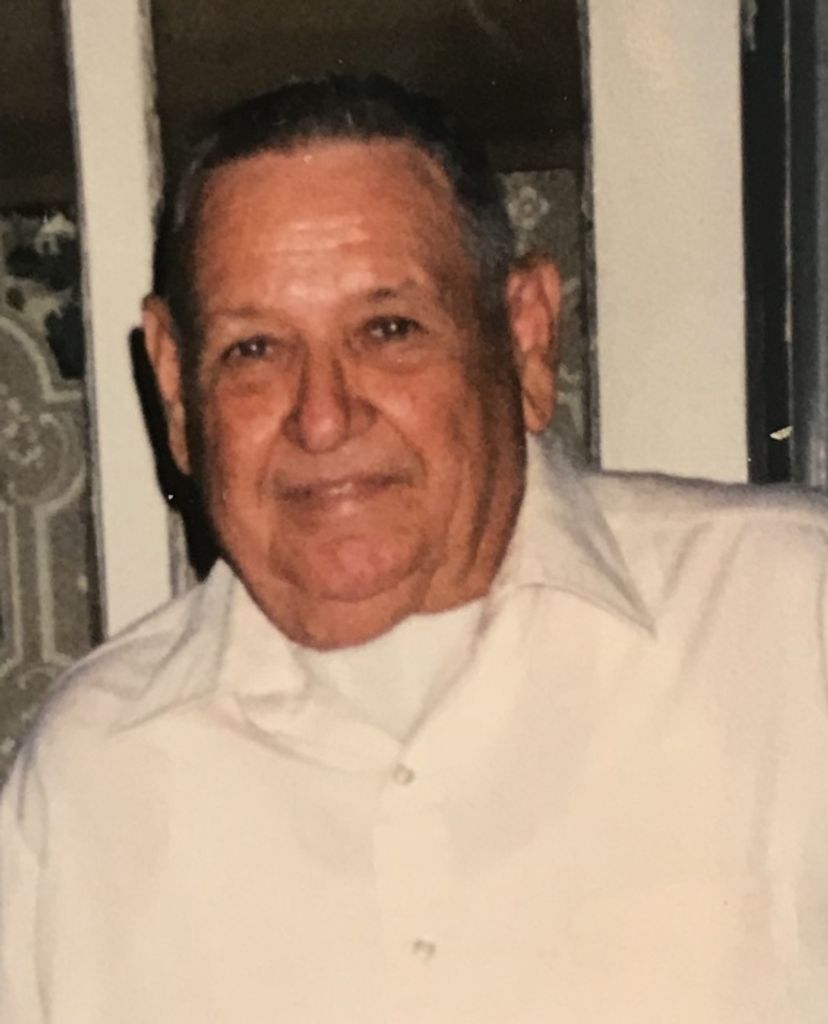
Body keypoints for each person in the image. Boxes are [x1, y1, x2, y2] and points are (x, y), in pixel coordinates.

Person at [2, 74, 828, 1024]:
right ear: (175, 384)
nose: (322, 417)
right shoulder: (90, 780)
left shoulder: (789, 624)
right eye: (255, 349)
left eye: (388, 330)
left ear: (524, 338)